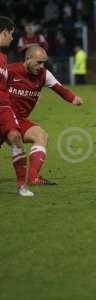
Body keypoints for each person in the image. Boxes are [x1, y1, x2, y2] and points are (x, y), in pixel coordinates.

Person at [8, 45, 83, 185]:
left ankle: (33, 178)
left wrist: (73, 98)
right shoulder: (11, 71)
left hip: (20, 121)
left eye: (44, 62)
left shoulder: (44, 75)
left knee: (41, 136)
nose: (42, 66)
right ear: (28, 59)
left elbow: (59, 88)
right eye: (39, 62)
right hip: (3, 118)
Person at [0, 16, 34, 196]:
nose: (12, 38)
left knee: (15, 137)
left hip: (4, 108)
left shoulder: (3, 57)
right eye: (11, 34)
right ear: (3, 32)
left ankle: (22, 185)